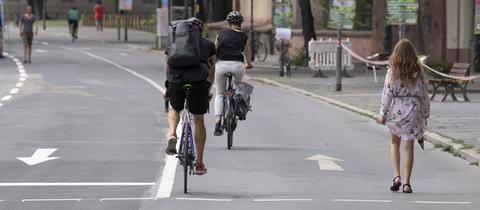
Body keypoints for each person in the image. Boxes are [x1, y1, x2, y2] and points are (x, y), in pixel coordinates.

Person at [164, 18, 216, 175]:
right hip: (198, 82)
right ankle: (199, 163)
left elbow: (168, 66)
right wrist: (207, 89)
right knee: (198, 119)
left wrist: (168, 89)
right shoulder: (208, 45)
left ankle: (173, 133)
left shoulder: (174, 44)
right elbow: (211, 72)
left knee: (175, 109)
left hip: (176, 81)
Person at [378, 39, 430, 194]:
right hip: (413, 111)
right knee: (409, 147)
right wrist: (426, 112)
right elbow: (424, 94)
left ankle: (397, 177)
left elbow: (388, 94)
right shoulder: (418, 71)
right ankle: (407, 183)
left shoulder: (392, 71)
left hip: (396, 109)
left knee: (394, 143)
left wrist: (383, 113)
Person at [213, 11, 252, 136]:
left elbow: (214, 51)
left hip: (221, 66)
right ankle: (237, 107)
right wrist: (249, 64)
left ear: (228, 23)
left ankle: (218, 122)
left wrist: (212, 64)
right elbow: (247, 53)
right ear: (240, 23)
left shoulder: (220, 34)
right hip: (237, 66)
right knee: (238, 87)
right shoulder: (243, 36)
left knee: (219, 94)